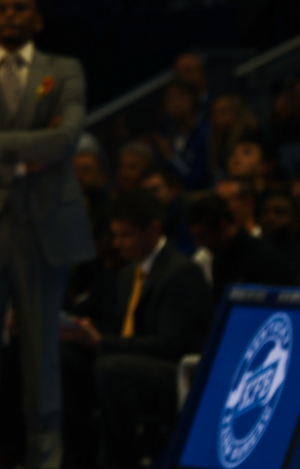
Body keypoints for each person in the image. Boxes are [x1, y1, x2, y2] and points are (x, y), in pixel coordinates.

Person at [0, 0, 94, 468]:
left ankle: (47, 460)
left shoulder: (63, 71)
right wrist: (21, 160)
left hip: (43, 231)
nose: (11, 16)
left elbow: (63, 141)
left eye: (22, 7)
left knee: (41, 358)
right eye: (2, 8)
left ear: (37, 20)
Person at [60, 191, 211, 469]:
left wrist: (102, 341)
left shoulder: (181, 273)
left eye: (126, 235)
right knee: (67, 356)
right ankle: (79, 457)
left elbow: (170, 343)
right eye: (115, 235)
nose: (117, 244)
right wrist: (85, 333)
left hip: (176, 371)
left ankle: (119, 462)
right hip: (128, 362)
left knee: (111, 368)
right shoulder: (128, 274)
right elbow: (122, 330)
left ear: (153, 229)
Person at [187, 194, 295, 298]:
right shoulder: (219, 258)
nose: (198, 243)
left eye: (203, 236)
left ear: (223, 226)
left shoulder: (264, 256)